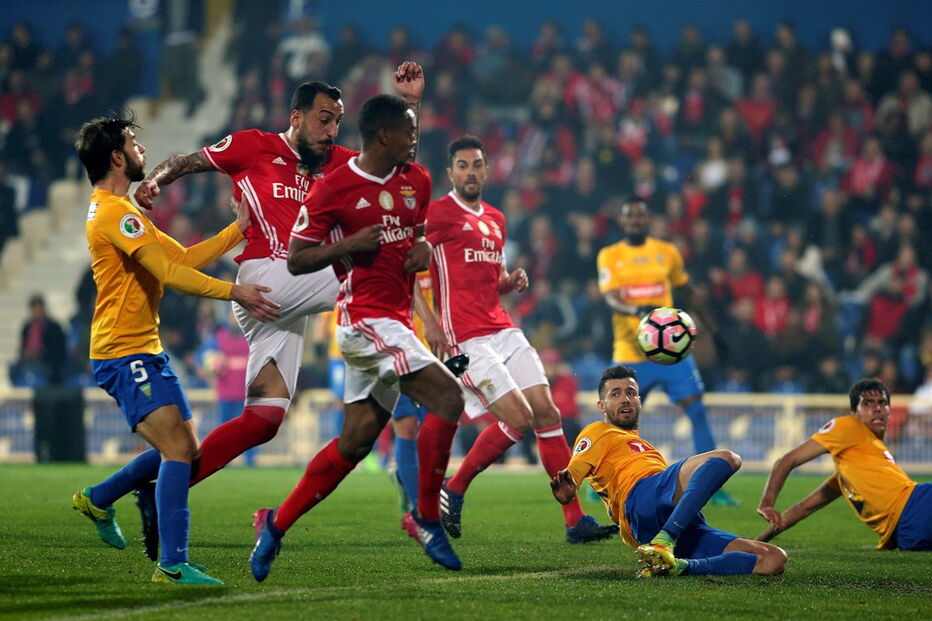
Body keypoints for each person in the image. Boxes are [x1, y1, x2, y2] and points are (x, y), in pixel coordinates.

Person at [127, 64, 425, 558]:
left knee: (265, 418)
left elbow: (400, 162)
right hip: (267, 274)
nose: (332, 131)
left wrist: (410, 105)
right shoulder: (254, 146)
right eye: (324, 119)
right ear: (297, 117)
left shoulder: (340, 163)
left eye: (338, 122)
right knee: (375, 270)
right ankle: (409, 382)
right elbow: (185, 161)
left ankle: (160, 490)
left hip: (288, 301)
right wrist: (153, 182)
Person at [250, 94, 466, 580]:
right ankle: (426, 517)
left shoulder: (417, 180)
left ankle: (275, 524)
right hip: (362, 321)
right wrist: (348, 245)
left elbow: (415, 238)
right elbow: (296, 259)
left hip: (396, 322)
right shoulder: (335, 188)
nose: (416, 138)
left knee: (354, 443)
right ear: (384, 135)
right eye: (409, 131)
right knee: (449, 398)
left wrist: (423, 249)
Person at [69, 114, 278, 584]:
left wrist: (237, 230)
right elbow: (169, 274)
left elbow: (179, 258)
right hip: (123, 352)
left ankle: (99, 499)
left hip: (143, 348)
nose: (142, 149)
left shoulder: (121, 211)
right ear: (117, 157)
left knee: (186, 449)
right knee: (179, 450)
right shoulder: (115, 214)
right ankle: (172, 564)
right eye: (133, 142)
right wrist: (234, 291)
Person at [423, 135, 616, 543]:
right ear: (450, 173)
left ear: (486, 170)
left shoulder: (496, 218)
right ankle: (454, 488)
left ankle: (575, 521)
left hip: (502, 327)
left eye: (477, 164)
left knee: (547, 414)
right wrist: (429, 322)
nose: (471, 172)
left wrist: (510, 281)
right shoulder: (438, 214)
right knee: (519, 419)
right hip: (465, 338)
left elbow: (493, 279)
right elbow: (405, 267)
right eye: (462, 165)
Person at [550, 365, 787, 577]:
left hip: (662, 520)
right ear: (601, 406)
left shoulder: (645, 446)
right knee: (728, 458)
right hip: (640, 496)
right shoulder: (598, 431)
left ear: (640, 401)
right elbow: (574, 473)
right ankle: (665, 540)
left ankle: (677, 565)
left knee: (773, 559)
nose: (625, 399)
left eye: (631, 393)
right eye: (616, 394)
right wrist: (569, 488)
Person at [596, 198, 738, 506]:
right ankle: (603, 483)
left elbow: (688, 292)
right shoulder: (610, 255)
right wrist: (636, 309)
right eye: (630, 215)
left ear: (648, 220)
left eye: (640, 215)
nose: (635, 219)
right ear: (623, 221)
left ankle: (712, 486)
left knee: (697, 410)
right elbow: (611, 298)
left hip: (671, 352)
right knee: (618, 420)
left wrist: (713, 330)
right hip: (631, 352)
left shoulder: (667, 252)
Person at [756, 378, 932, 550]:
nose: (877, 408)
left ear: (889, 411)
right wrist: (766, 505)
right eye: (868, 403)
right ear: (854, 413)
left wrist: (755, 542)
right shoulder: (848, 426)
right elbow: (788, 462)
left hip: (911, 523)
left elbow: (802, 508)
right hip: (913, 518)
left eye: (882, 402)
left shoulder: (863, 459)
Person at [10, 294, 67, 387]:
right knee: (13, 368)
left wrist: (40, 353)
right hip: (28, 362)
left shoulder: (54, 327)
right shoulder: (27, 327)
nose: (37, 313)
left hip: (45, 363)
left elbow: (57, 351)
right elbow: (22, 348)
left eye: (39, 310)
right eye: (34, 310)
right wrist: (27, 354)